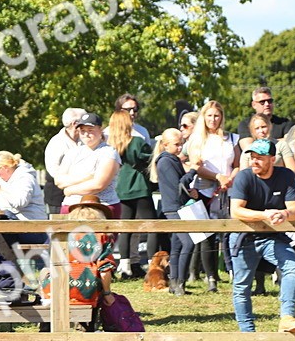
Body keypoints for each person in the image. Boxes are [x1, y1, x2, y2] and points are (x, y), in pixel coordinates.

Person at [228, 139, 295, 334]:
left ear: (272, 159)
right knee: (242, 286)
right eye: (252, 158)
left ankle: (287, 317)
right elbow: (235, 211)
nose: (254, 162)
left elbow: (294, 210)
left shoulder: (286, 175)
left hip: (272, 237)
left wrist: (284, 214)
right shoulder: (244, 177)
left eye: (259, 158)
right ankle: (247, 332)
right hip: (243, 237)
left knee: (292, 265)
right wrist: (265, 215)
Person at [39, 194, 116, 333]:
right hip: (85, 289)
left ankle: (46, 326)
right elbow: (105, 268)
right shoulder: (102, 236)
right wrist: (107, 293)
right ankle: (86, 326)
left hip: (55, 288)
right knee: (96, 281)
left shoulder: (61, 234)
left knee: (45, 272)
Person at [185, 100, 239, 293]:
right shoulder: (196, 139)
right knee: (206, 235)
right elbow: (195, 165)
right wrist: (217, 177)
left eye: (216, 115)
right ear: (203, 117)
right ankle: (211, 278)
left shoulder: (231, 138)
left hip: (227, 190)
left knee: (230, 232)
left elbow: (238, 164)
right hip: (204, 189)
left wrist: (229, 179)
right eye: (209, 116)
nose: (213, 120)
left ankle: (233, 272)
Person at [108, 108, 155, 277]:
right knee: (152, 227)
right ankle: (152, 264)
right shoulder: (137, 142)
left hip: (120, 189)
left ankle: (125, 265)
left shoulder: (110, 145)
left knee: (125, 228)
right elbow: (149, 159)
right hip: (139, 187)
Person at [152, 128, 195, 295]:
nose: (180, 148)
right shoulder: (165, 162)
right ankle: (179, 283)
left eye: (181, 144)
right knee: (188, 242)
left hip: (176, 206)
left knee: (177, 245)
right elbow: (179, 185)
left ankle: (175, 283)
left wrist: (190, 192)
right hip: (173, 209)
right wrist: (193, 171)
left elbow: (179, 186)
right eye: (176, 145)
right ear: (165, 145)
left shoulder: (172, 160)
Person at [55, 112, 121, 217]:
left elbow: (98, 185)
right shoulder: (73, 152)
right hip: (71, 206)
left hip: (102, 207)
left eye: (90, 130)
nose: (86, 134)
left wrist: (70, 190)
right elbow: (59, 181)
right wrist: (87, 178)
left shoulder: (109, 152)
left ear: (100, 130)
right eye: (82, 131)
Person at [0, 150, 47, 245]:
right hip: (18, 225)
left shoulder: (25, 178)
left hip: (34, 228)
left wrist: (1, 191)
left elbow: (20, 202)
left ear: (5, 168)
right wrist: (8, 203)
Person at [43, 108, 86, 215]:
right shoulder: (56, 143)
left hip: (82, 194)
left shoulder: (85, 140)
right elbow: (54, 171)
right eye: (84, 122)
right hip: (58, 195)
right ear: (75, 123)